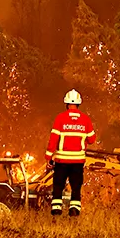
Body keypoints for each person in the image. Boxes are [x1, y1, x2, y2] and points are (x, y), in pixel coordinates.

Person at [44, 89, 95, 217]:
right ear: (79, 104)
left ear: (66, 103)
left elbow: (53, 139)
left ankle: (56, 210)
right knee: (76, 186)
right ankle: (74, 210)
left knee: (58, 185)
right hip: (78, 161)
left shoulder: (60, 118)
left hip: (61, 161)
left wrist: (48, 157)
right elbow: (92, 139)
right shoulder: (86, 119)